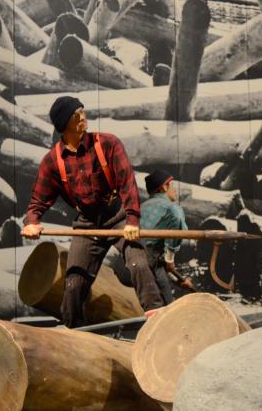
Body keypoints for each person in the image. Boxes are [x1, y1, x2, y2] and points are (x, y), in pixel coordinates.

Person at [22, 96, 165, 327]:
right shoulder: (52, 162)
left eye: (82, 111)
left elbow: (127, 184)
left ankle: (158, 317)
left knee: (138, 262)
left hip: (118, 218)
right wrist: (32, 221)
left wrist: (132, 220)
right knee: (73, 285)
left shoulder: (107, 144)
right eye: (74, 115)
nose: (82, 117)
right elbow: (38, 201)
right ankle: (77, 333)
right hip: (87, 226)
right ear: (63, 124)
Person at [140, 169, 193, 305]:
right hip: (152, 262)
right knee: (166, 307)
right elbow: (175, 229)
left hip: (136, 262)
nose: (175, 190)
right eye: (173, 186)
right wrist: (170, 259)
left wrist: (179, 282)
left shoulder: (141, 207)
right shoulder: (172, 208)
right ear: (164, 187)